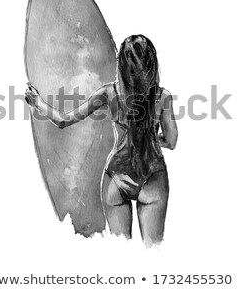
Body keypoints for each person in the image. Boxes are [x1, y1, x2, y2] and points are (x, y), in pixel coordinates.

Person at [25, 35, 178, 247]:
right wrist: (148, 138)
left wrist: (38, 103)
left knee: (120, 255)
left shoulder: (109, 94)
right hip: (152, 179)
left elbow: (63, 121)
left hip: (116, 179)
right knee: (154, 255)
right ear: (152, 65)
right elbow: (171, 142)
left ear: (121, 67)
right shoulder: (163, 98)